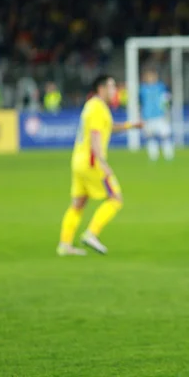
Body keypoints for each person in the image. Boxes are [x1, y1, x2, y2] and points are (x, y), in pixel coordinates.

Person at [57, 74, 143, 256]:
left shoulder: (92, 106)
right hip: (92, 162)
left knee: (78, 203)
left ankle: (65, 244)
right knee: (115, 199)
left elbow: (108, 127)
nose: (115, 91)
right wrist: (102, 163)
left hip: (78, 161)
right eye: (112, 87)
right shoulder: (97, 108)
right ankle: (91, 234)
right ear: (101, 88)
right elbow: (96, 135)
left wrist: (130, 126)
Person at [140, 71, 174, 161]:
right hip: (148, 116)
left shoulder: (161, 87)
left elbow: (166, 99)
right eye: (149, 77)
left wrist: (166, 111)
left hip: (160, 115)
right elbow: (140, 103)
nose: (151, 78)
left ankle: (169, 156)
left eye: (152, 76)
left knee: (165, 135)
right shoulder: (142, 89)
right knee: (150, 137)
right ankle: (153, 157)